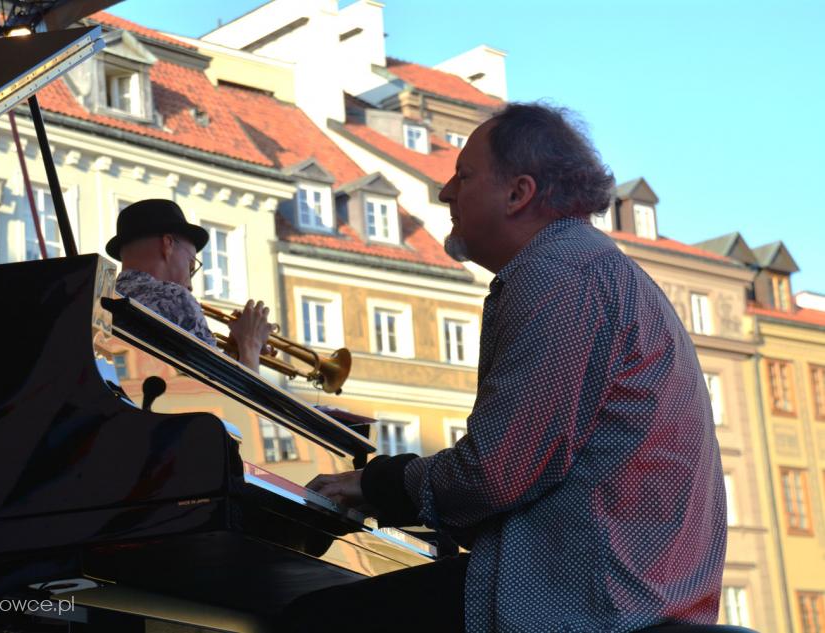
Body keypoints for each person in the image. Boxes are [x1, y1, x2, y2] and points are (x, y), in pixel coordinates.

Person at [285, 103, 727, 633]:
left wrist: (376, 484)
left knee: (307, 619)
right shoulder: (593, 266)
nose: (446, 192)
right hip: (628, 590)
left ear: (519, 194)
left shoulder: (557, 275)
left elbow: (493, 474)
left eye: (464, 176)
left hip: (580, 602)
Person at [105, 198, 273, 372]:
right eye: (190, 267)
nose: (190, 286)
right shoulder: (174, 297)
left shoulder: (104, 299)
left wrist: (234, 353)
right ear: (168, 244)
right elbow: (222, 389)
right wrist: (251, 343)